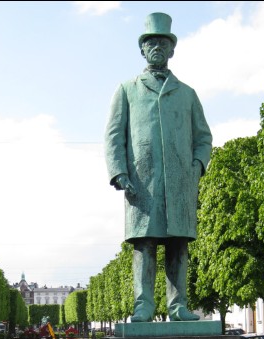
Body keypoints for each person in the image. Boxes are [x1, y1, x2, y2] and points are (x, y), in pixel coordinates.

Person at [105, 12, 212, 322]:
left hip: (180, 181)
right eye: (150, 42)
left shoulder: (188, 94)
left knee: (178, 244)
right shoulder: (127, 90)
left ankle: (178, 306)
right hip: (142, 181)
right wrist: (119, 170)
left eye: (162, 43)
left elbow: (203, 137)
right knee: (145, 244)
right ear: (142, 49)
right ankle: (144, 305)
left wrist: (196, 166)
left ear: (172, 50)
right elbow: (114, 134)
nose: (156, 47)